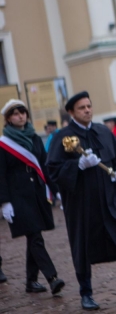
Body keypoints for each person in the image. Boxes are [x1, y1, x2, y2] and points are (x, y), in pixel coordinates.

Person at [47, 91, 116, 310]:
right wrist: (77, 166)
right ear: (71, 112)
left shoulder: (103, 131)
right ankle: (86, 294)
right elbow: (53, 170)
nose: (87, 110)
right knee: (83, 248)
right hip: (82, 204)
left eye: (89, 106)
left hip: (110, 200)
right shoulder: (63, 137)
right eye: (82, 108)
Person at [0, 99, 65, 295]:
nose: (20, 116)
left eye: (23, 112)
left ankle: (30, 281)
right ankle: (52, 278)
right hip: (18, 197)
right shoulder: (3, 144)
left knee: (34, 236)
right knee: (35, 235)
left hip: (37, 193)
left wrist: (57, 190)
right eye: (15, 113)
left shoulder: (35, 138)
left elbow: (45, 166)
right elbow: (0, 174)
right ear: (8, 119)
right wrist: (4, 202)